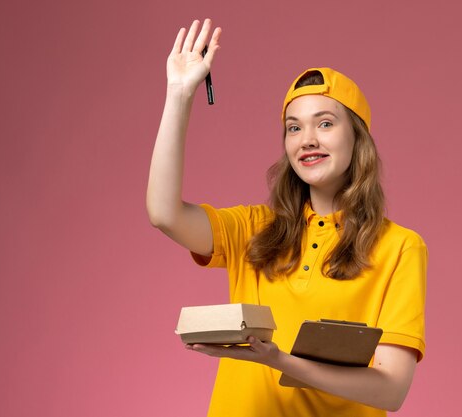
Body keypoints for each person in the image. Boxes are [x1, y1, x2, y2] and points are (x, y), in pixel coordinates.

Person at [147, 18, 427, 417]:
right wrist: (178, 94)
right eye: (294, 128)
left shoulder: (400, 247)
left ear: (357, 137)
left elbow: (391, 390)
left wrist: (280, 361)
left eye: (325, 123)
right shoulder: (253, 229)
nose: (307, 139)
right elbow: (163, 213)